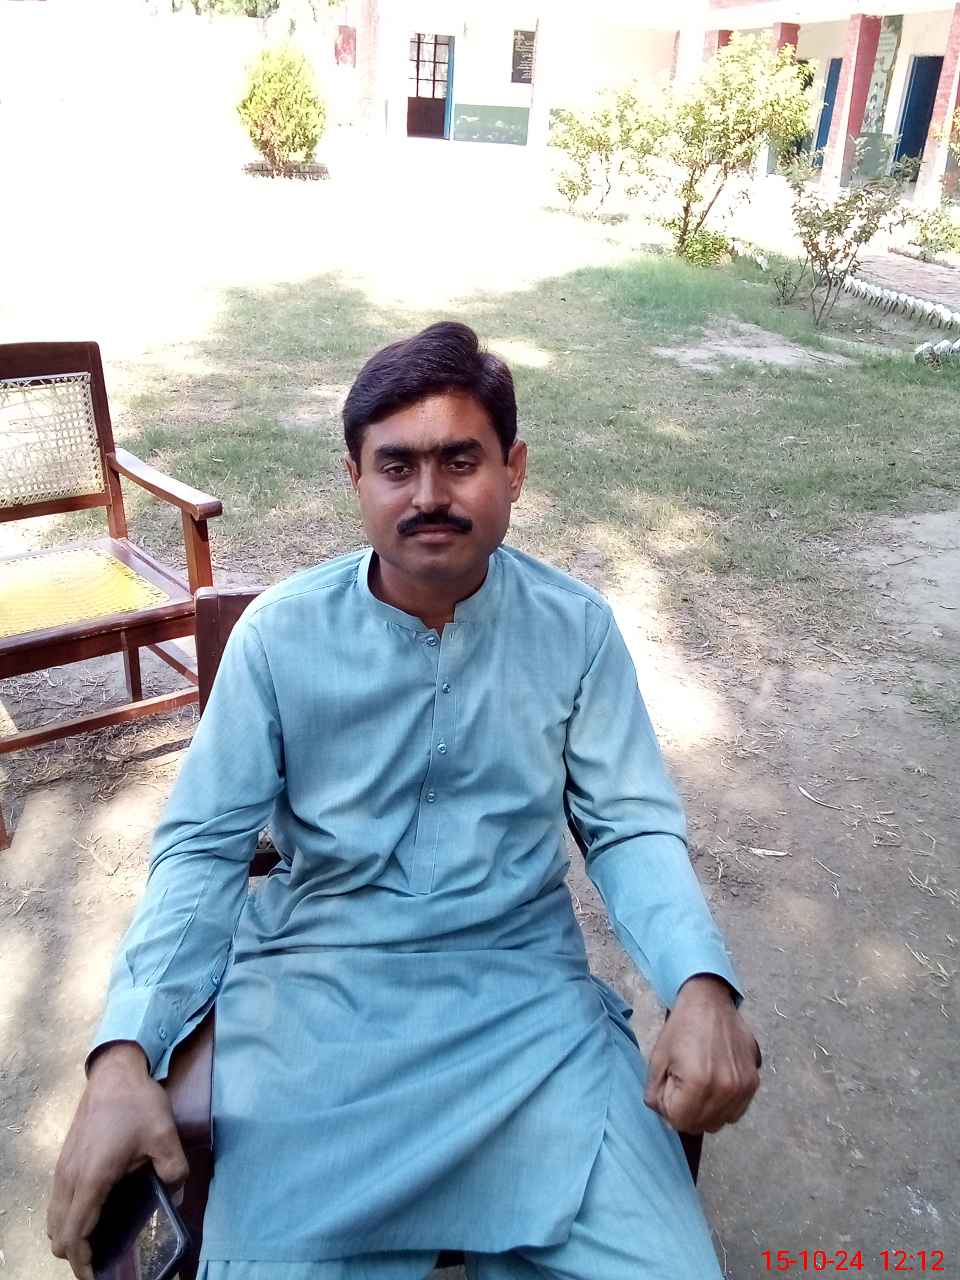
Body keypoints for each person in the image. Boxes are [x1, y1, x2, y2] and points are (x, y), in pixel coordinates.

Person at [48, 322, 760, 1280]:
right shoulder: (279, 638)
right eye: (397, 466)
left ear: (513, 470)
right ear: (355, 479)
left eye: (460, 460)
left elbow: (629, 825)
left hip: (525, 1010)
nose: (429, 495)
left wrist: (701, 982)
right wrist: (123, 1053)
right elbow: (202, 849)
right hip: (316, 1013)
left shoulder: (577, 632)